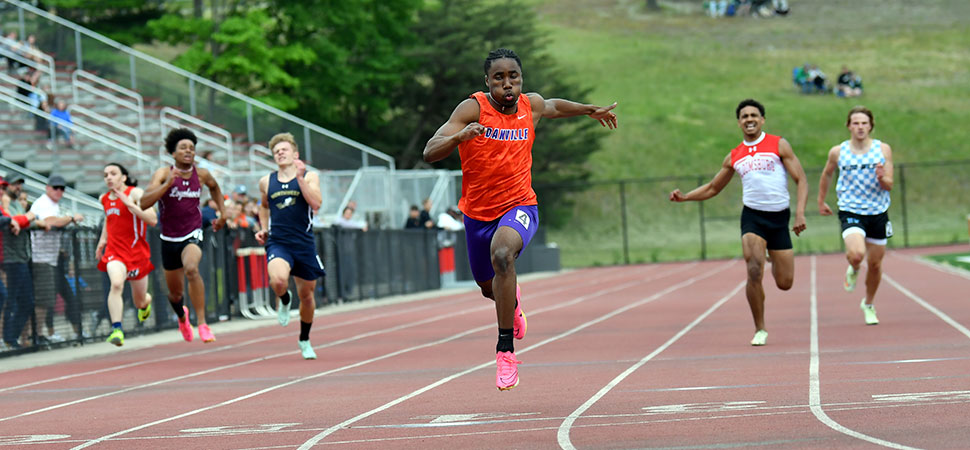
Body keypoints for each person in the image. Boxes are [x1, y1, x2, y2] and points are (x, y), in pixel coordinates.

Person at [423, 48, 618, 390]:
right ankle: (511, 306)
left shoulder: (531, 105)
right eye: (498, 78)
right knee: (489, 289)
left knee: (502, 256)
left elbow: (554, 106)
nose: (507, 84)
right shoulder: (472, 109)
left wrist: (589, 110)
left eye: (513, 76)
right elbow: (430, 151)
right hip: (477, 214)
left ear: (521, 80)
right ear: (487, 82)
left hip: (519, 206)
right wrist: (459, 137)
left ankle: (505, 351)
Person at [669, 99, 807, 347]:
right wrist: (686, 196)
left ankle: (773, 255)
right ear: (739, 122)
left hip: (779, 217)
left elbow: (802, 179)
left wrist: (800, 214)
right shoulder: (735, 155)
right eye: (744, 116)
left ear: (762, 119)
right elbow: (713, 188)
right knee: (754, 269)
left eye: (754, 115)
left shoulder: (778, 144)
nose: (749, 119)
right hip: (753, 217)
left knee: (785, 283)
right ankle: (760, 328)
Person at [140, 128, 226, 343]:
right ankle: (182, 316)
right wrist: (168, 183)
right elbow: (144, 202)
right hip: (169, 238)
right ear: (173, 153)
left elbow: (215, 188)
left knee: (191, 269)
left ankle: (203, 324)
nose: (188, 151)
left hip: (192, 232)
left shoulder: (202, 174)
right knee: (175, 295)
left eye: (192, 148)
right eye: (183, 148)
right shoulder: (162, 173)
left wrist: (223, 213)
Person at [818, 106, 893, 325]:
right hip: (851, 209)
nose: (860, 127)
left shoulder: (883, 150)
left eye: (864, 123)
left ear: (871, 126)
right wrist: (821, 201)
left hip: (878, 212)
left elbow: (889, 184)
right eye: (856, 123)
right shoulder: (838, 152)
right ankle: (854, 266)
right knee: (857, 253)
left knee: (877, 265)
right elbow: (827, 174)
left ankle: (868, 304)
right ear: (849, 126)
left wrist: (882, 178)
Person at [255, 132, 326, 360]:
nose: (279, 153)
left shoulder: (310, 176)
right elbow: (264, 206)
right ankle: (284, 299)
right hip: (279, 242)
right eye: (276, 151)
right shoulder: (267, 181)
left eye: (284, 150)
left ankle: (304, 339)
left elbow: (316, 203)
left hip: (304, 243)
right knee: (278, 280)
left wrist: (301, 178)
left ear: (295, 154)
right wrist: (263, 227)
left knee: (306, 295)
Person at [95, 163, 157, 346]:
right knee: (116, 284)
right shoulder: (104, 198)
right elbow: (109, 218)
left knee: (139, 301)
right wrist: (102, 241)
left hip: (137, 253)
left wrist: (131, 205)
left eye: (113, 174)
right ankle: (117, 329)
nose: (108, 177)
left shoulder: (135, 193)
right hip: (115, 252)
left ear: (123, 177)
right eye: (105, 174)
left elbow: (153, 219)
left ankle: (146, 302)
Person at [28, 175, 85, 343]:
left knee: (47, 299)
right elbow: (50, 221)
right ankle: (36, 335)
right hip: (41, 258)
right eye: (55, 188)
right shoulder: (44, 202)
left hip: (52, 258)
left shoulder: (53, 204)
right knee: (43, 299)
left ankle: (40, 334)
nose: (59, 191)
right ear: (47, 188)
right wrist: (71, 218)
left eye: (62, 188)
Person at [1, 175, 35, 349]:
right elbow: (11, 222)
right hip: (10, 258)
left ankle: (11, 337)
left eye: (19, 185)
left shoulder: (16, 205)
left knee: (27, 301)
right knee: (10, 299)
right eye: (14, 185)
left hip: (22, 257)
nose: (17, 187)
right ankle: (8, 338)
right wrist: (27, 216)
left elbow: (28, 223)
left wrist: (26, 218)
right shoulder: (5, 205)